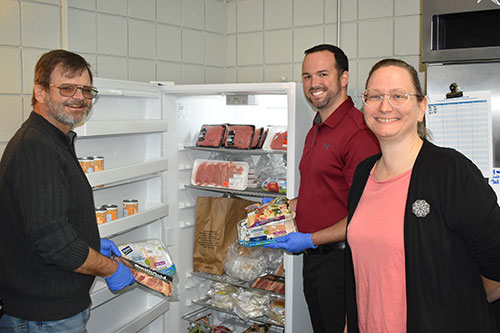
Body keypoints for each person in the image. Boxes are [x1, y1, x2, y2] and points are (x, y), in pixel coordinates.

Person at [345, 58, 500, 332]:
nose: (385, 106)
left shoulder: (450, 171)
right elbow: (360, 274)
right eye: (374, 96)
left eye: (398, 96)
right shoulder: (362, 174)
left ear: (421, 108)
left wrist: (455, 311)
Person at [0, 49, 135, 332]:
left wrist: (91, 244)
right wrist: (110, 268)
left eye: (86, 90)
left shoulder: (54, 140)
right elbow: (54, 244)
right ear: (40, 92)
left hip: (52, 312)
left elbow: (46, 223)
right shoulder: (36, 147)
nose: (80, 97)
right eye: (67, 88)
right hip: (42, 317)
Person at [265, 44, 380, 332]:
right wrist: (283, 207)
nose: (313, 83)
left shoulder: (358, 133)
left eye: (322, 74)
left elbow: (365, 213)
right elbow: (324, 190)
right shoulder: (317, 127)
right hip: (315, 260)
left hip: (343, 263)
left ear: (344, 78)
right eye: (307, 76)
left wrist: (310, 239)